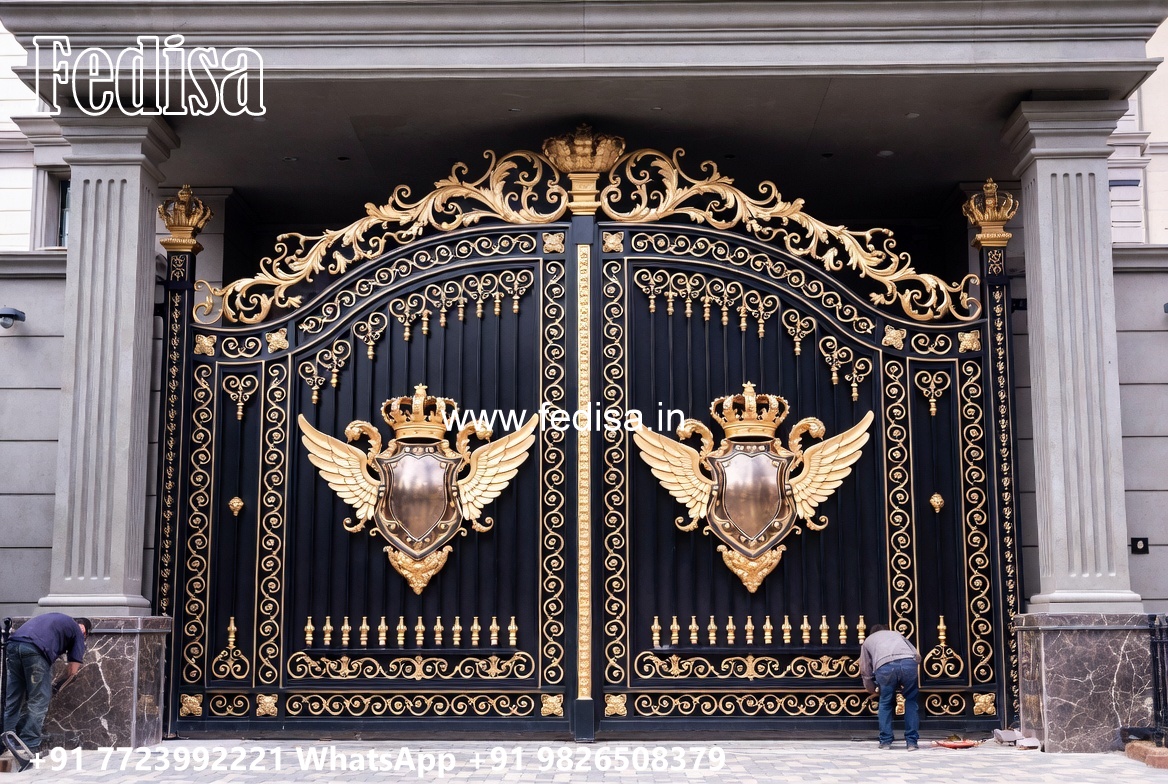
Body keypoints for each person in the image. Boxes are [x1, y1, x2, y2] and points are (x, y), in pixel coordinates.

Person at [2, 614, 91, 755]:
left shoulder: (58, 620)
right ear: (85, 631)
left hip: (13, 645)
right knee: (39, 700)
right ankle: (29, 745)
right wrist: (57, 686)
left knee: (13, 697)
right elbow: (73, 670)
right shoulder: (78, 630)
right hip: (35, 651)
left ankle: (6, 741)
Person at [859, 623, 921, 750]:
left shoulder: (868, 641)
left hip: (885, 667)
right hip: (909, 663)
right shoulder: (896, 634)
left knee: (885, 702)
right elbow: (917, 656)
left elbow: (865, 669)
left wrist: (872, 688)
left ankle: (885, 741)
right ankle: (912, 742)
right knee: (911, 701)